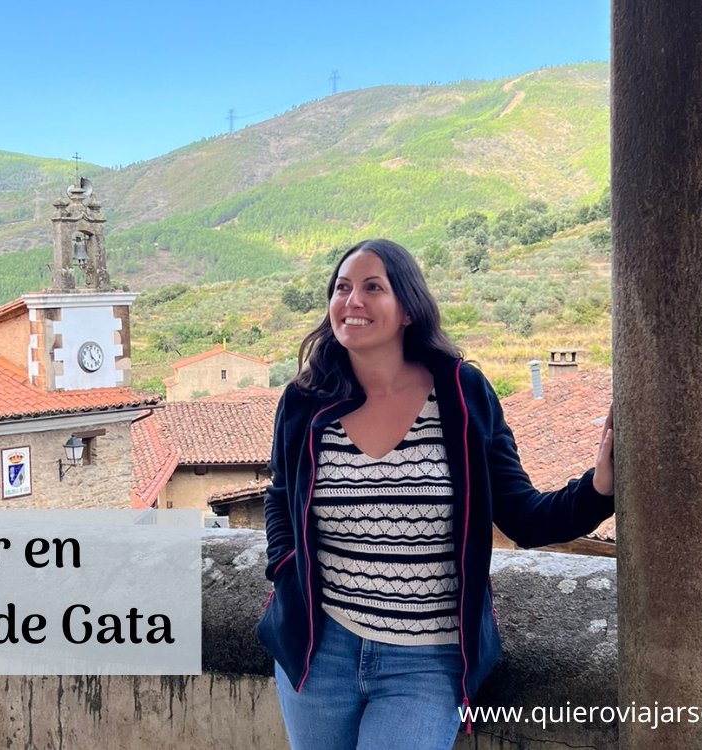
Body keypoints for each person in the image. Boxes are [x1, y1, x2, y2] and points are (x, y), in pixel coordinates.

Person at [255, 238, 615, 750]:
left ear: (407, 308)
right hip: (320, 650)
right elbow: (281, 496)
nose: (351, 301)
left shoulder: (461, 395)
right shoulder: (306, 401)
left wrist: (601, 489)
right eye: (342, 288)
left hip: (426, 663)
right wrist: (284, 565)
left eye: (372, 288)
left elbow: (526, 518)